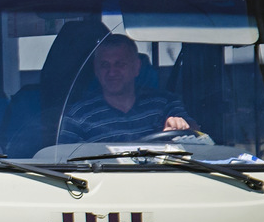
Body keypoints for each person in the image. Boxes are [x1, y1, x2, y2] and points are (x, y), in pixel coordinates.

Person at [58, 34, 194, 143]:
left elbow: (197, 135)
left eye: (120, 64)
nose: (112, 72)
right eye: (105, 65)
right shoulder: (78, 115)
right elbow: (65, 162)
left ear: (136, 67)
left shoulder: (164, 103)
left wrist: (181, 125)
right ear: (96, 70)